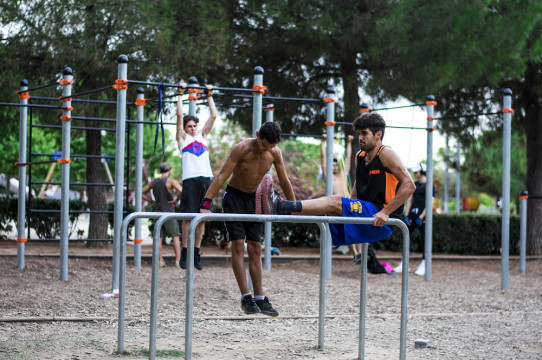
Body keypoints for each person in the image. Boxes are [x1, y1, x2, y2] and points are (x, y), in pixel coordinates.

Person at [261, 113, 415, 264]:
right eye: (359, 133)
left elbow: (409, 184)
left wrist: (386, 212)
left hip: (384, 219)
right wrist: (350, 207)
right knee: (332, 209)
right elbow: (356, 190)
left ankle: (285, 206)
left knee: (335, 201)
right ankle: (294, 216)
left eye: (364, 134)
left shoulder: (386, 153)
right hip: (368, 213)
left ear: (378, 135)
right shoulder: (360, 156)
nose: (360, 137)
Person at [199, 122, 295, 317]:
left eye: (270, 147)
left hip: (254, 199)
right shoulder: (241, 149)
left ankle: (260, 297)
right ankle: (246, 296)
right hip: (234, 197)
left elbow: (284, 180)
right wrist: (205, 204)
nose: (266, 150)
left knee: (255, 247)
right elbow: (221, 176)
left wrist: (294, 206)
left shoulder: (275, 153)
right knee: (236, 245)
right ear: (258, 135)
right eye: (264, 145)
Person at [176, 82, 218, 270]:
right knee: (187, 217)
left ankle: (196, 252)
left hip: (206, 180)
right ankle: (185, 252)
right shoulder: (183, 139)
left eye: (194, 125)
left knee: (202, 217)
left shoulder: (202, 136)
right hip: (190, 181)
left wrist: (209, 94)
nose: (193, 128)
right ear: (185, 128)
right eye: (189, 126)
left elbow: (214, 115)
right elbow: (178, 115)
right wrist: (180, 94)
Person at [394, 163, 435, 276]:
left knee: (424, 240)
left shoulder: (430, 186)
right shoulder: (415, 185)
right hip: (412, 215)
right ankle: (404, 264)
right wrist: (406, 215)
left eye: (416, 171)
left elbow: (430, 202)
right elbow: (410, 200)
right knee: (406, 238)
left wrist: (421, 216)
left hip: (423, 217)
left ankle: (424, 264)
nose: (415, 173)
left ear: (422, 171)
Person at [141, 162, 183, 267]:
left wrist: (151, 201)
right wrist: (176, 200)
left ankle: (160, 261)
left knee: (158, 238)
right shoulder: (171, 181)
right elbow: (181, 191)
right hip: (169, 212)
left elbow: (141, 192)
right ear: (169, 170)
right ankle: (178, 260)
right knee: (175, 236)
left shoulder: (153, 182)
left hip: (157, 211)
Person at [320, 134, 355, 256]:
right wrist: (322, 142)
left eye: (336, 165)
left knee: (352, 228)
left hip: (346, 204)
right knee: (338, 229)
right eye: (332, 165)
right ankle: (350, 250)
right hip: (335, 206)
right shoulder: (329, 177)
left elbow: (348, 158)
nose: (334, 167)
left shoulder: (343, 174)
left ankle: (356, 253)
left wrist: (349, 143)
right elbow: (323, 159)